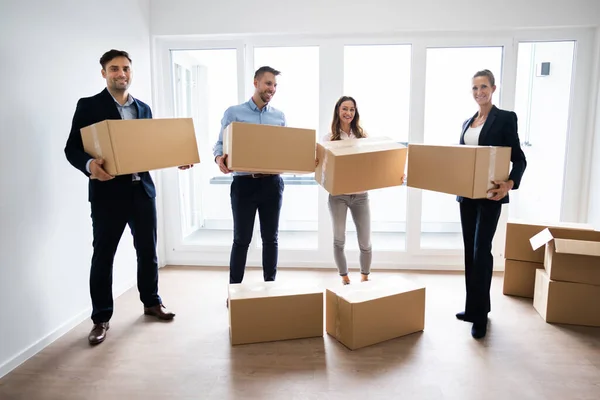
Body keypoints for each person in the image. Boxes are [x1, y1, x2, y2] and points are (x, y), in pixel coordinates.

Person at [65, 49, 189, 345]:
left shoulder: (143, 108)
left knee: (148, 252)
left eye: (126, 69)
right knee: (103, 255)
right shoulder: (89, 106)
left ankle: (151, 302)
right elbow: (72, 148)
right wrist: (90, 165)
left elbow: (149, 148)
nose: (121, 73)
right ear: (104, 73)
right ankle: (101, 318)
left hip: (141, 191)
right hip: (107, 194)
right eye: (114, 69)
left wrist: (178, 156)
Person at [456, 69, 526, 339]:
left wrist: (509, 183)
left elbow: (519, 159)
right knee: (469, 252)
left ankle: (481, 315)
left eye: (483, 87)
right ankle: (471, 308)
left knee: (481, 249)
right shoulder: (467, 122)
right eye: (474, 88)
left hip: (490, 195)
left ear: (493, 88)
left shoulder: (505, 118)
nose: (479, 92)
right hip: (466, 196)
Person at [213, 66, 286, 289]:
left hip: (272, 184)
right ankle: (233, 290)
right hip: (244, 183)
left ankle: (270, 288)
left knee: (270, 239)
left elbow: (284, 149)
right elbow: (220, 144)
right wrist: (219, 159)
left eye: (274, 85)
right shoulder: (234, 113)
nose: (271, 89)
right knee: (241, 239)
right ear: (256, 83)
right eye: (268, 83)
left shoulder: (279, 117)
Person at [319, 96, 373, 285]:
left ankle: (365, 276)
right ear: (338, 111)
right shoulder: (328, 138)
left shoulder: (362, 137)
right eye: (344, 109)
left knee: (365, 241)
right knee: (339, 239)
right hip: (338, 196)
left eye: (351, 109)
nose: (348, 113)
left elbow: (371, 165)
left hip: (360, 196)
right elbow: (323, 168)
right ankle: (344, 277)